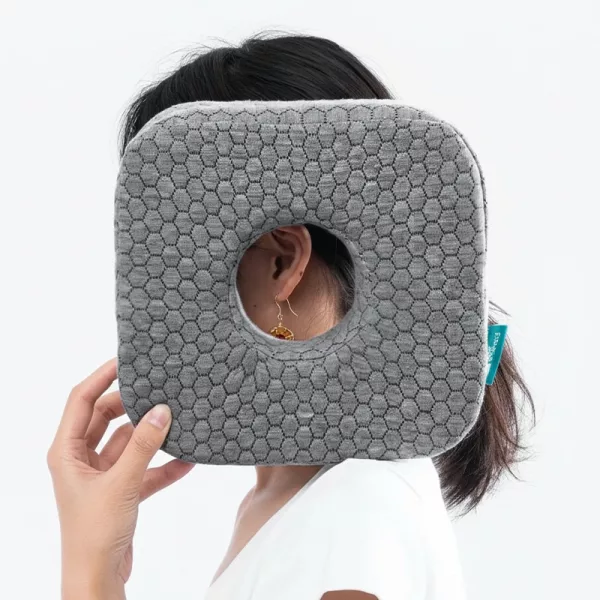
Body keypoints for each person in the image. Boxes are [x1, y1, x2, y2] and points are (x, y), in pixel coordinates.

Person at [47, 33, 534, 600]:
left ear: (282, 260)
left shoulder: (358, 509)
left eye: (171, 239)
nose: (151, 279)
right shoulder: (297, 501)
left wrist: (90, 570)